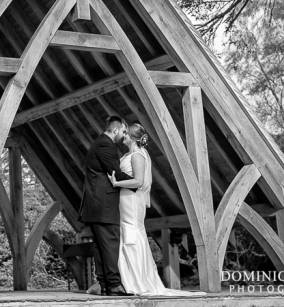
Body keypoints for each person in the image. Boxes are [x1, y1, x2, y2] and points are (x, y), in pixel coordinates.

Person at [109, 124, 206, 296]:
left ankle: (136, 279)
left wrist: (116, 183)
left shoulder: (138, 156)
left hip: (132, 199)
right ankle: (128, 276)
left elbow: (138, 182)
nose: (123, 135)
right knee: (126, 233)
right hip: (124, 199)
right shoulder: (127, 154)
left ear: (132, 137)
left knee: (131, 234)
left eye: (126, 133)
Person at [79, 116, 134, 297]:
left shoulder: (99, 143)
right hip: (103, 204)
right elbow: (115, 173)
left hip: (96, 204)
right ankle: (114, 285)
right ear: (116, 130)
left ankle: (105, 284)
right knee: (110, 243)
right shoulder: (105, 144)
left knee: (101, 246)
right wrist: (137, 183)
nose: (124, 135)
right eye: (124, 131)